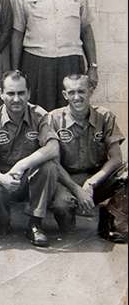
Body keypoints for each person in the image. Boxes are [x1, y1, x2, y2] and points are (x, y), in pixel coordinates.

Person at [12, 0, 98, 111]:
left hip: (71, 61)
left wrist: (93, 66)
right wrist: (15, 70)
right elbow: (17, 33)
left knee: (72, 111)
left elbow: (86, 30)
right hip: (36, 62)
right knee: (38, 113)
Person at [0, 70, 59, 247]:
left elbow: (53, 147)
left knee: (49, 167)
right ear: (1, 94)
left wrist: (22, 164)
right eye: (10, 93)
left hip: (30, 178)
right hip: (4, 178)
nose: (16, 99)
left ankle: (35, 224)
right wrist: (1, 178)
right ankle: (3, 217)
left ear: (29, 93)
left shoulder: (40, 115)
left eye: (21, 93)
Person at [48, 74, 127, 243]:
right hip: (66, 178)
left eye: (82, 91)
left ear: (90, 91)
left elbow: (116, 158)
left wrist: (91, 183)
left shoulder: (105, 117)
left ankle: (110, 221)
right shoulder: (53, 119)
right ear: (65, 95)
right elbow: (53, 162)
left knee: (127, 174)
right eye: (72, 92)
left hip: (97, 177)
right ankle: (69, 229)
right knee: (63, 208)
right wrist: (77, 190)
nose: (77, 97)